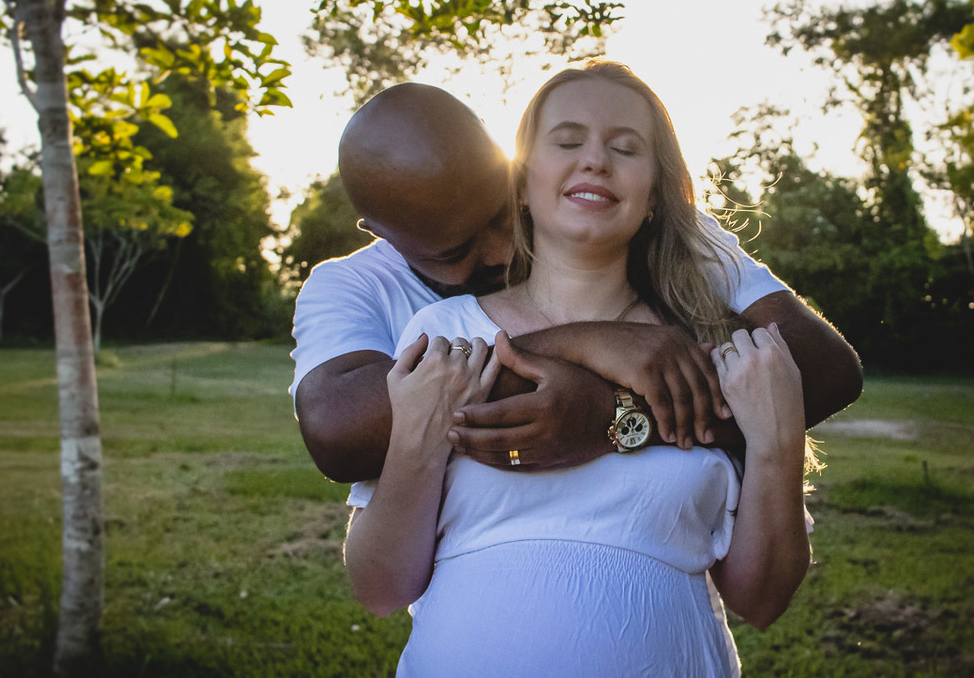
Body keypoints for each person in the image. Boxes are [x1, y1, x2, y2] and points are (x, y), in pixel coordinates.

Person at [343, 60, 813, 676]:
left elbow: (763, 600)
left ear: (654, 195)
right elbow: (380, 589)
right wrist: (414, 443)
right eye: (567, 141)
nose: (596, 160)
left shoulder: (721, 353)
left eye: (626, 147)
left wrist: (779, 442)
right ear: (521, 183)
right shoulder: (442, 336)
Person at [290, 85, 861, 485]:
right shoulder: (351, 286)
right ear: (380, 232)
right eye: (456, 251)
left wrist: (611, 418)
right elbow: (339, 432)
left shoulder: (636, 222)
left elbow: (825, 368)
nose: (503, 250)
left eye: (500, 214)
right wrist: (585, 344)